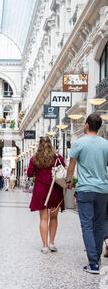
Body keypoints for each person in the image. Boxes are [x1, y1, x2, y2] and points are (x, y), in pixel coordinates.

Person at [66, 113, 108, 274]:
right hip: (103, 190)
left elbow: (71, 166)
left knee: (86, 225)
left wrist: (69, 181)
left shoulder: (79, 143)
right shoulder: (106, 144)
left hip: (85, 189)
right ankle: (96, 259)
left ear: (86, 125)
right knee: (98, 225)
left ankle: (93, 263)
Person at [27, 136, 66, 253]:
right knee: (54, 217)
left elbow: (29, 174)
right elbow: (63, 169)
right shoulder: (57, 157)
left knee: (43, 218)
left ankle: (44, 246)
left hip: (41, 190)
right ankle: (52, 243)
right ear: (51, 144)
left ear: (39, 145)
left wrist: (39, 174)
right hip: (55, 189)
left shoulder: (35, 158)